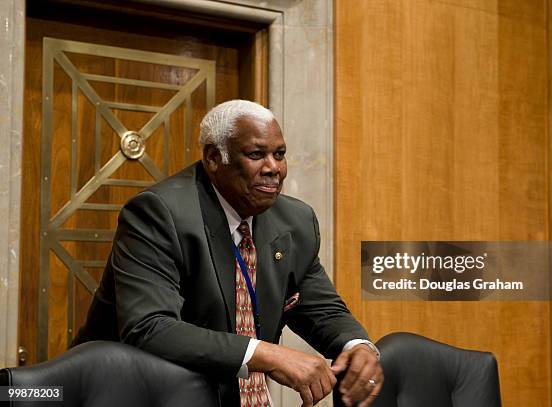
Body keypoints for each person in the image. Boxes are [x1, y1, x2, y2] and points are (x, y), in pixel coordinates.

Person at [73, 100, 382, 407]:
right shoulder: (159, 213)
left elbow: (322, 308)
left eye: (280, 154)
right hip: (139, 394)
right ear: (213, 158)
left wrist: (357, 345)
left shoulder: (295, 221)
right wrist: (265, 354)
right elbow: (150, 326)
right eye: (256, 154)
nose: (274, 168)